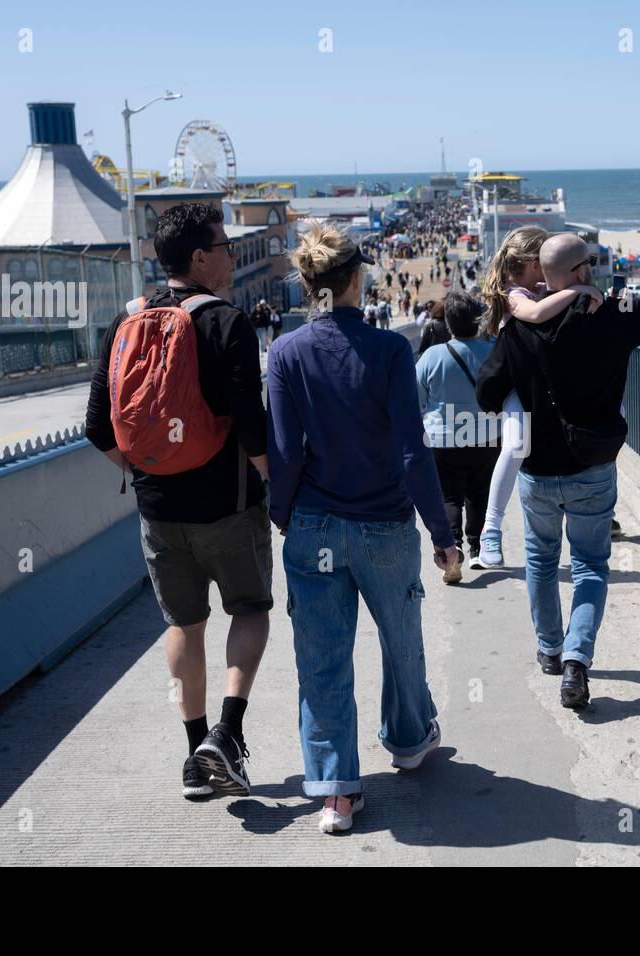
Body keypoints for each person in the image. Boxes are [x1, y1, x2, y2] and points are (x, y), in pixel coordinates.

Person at [476, 233, 640, 709]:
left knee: (540, 561)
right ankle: (577, 660)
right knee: (591, 565)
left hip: (536, 471)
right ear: (579, 273)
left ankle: (550, 649)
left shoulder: (518, 327)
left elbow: (486, 393)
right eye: (591, 264)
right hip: (592, 468)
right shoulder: (612, 315)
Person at [267, 221, 457, 834]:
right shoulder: (389, 351)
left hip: (314, 528)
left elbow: (286, 452)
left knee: (322, 658)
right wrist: (442, 531)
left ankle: (337, 793)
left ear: (307, 284)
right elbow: (412, 450)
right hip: (383, 527)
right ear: (355, 280)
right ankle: (407, 742)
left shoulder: (286, 353)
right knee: (401, 641)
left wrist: (282, 514)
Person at [83, 202, 273, 801]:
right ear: (198, 258)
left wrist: (145, 471)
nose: (231, 255)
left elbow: (96, 427)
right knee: (250, 608)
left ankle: (195, 759)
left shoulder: (124, 320)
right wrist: (280, 491)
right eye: (223, 246)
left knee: (183, 624)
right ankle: (228, 732)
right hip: (228, 505)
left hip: (158, 510)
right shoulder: (227, 322)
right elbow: (252, 428)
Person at [474, 226, 603, 570]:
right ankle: (491, 527)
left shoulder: (537, 288)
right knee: (516, 444)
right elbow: (533, 315)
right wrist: (579, 288)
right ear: (534, 263)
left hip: (536, 381)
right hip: (514, 385)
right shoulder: (514, 294)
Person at [416, 291, 499, 576]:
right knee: (479, 492)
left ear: (448, 323)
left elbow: (416, 399)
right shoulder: (492, 350)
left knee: (449, 496)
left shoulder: (431, 356)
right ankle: (477, 547)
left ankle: (453, 547)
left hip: (443, 438)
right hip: (487, 436)